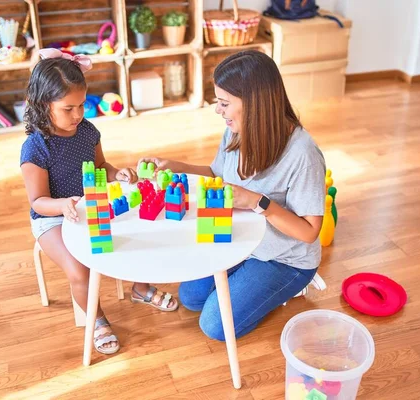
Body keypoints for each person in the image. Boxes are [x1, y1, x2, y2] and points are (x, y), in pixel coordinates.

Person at [138, 50, 326, 341]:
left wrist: (257, 202)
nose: (218, 110)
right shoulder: (236, 131)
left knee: (214, 325)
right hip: (241, 239)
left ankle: (291, 287)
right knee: (190, 298)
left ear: (254, 105)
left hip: (284, 259)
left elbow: (310, 232)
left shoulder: (303, 153)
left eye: (224, 103)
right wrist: (175, 166)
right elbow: (217, 175)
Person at [20, 49, 178, 355]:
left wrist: (118, 174)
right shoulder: (36, 148)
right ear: (43, 105)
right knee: (80, 270)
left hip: (90, 204)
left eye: (81, 105)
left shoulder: (87, 131)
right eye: (68, 108)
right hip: (52, 218)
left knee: (140, 230)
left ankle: (141, 288)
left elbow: (101, 167)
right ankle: (97, 319)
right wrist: (64, 205)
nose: (78, 115)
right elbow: (38, 201)